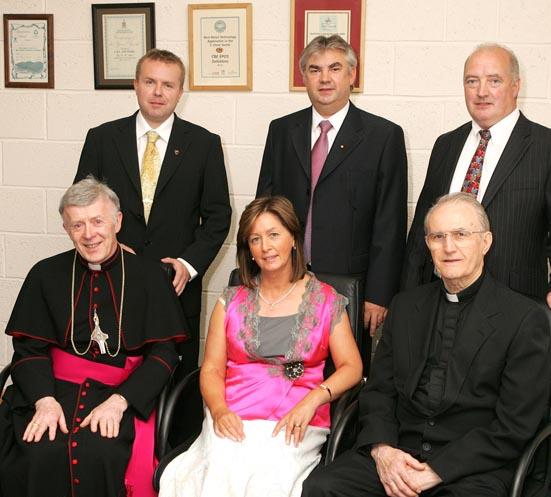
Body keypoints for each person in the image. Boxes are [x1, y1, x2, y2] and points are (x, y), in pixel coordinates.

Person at [302, 192, 551, 497]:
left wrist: (437, 471)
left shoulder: (524, 319)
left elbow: (514, 426)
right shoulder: (406, 307)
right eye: (438, 236)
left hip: (472, 467)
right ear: (428, 244)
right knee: (322, 487)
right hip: (399, 451)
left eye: (461, 234)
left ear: (485, 242)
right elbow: (379, 391)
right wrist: (383, 451)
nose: (449, 247)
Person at [159, 196, 362, 497]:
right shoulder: (229, 301)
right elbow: (212, 368)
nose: (266, 246)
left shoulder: (326, 299)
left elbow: (353, 367)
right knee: (217, 471)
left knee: (268, 481)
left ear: (293, 238)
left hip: (297, 418)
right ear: (249, 250)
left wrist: (312, 402)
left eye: (274, 234)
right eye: (255, 239)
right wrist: (218, 410)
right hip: (234, 415)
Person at [0, 178, 188, 497]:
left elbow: (163, 354)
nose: (89, 234)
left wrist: (120, 402)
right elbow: (28, 349)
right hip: (52, 389)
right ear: (66, 228)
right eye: (78, 224)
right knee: (36, 449)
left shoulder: (149, 277)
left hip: (122, 392)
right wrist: (44, 401)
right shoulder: (45, 274)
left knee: (102, 451)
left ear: (117, 221)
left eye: (98, 221)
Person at [401, 43, 551, 330]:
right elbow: (421, 233)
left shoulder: (550, 150)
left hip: (512, 312)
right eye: (472, 81)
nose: (481, 91)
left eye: (494, 81)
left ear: (515, 86)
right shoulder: (445, 145)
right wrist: (407, 297)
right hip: (437, 306)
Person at [74, 48, 232, 376]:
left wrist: (188, 266)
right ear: (135, 84)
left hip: (175, 286)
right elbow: (83, 206)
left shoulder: (204, 144)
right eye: (150, 82)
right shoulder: (102, 139)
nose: (158, 92)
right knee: (112, 372)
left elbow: (218, 216)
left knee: (175, 378)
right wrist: (108, 250)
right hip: (111, 279)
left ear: (180, 92)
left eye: (168, 85)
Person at [256, 35, 407, 342]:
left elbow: (389, 222)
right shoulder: (282, 130)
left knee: (342, 377)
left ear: (352, 74)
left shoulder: (383, 136)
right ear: (304, 78)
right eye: (314, 70)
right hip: (285, 277)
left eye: (334, 68)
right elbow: (264, 209)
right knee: (279, 368)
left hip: (351, 285)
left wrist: (379, 294)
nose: (324, 78)